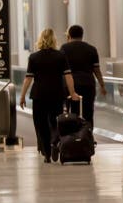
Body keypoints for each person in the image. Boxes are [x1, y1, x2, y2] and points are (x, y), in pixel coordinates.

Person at [19, 29, 81, 163]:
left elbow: (28, 78)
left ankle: (46, 153)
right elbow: (68, 75)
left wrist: (22, 96)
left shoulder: (34, 57)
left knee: (40, 123)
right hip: (57, 94)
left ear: (40, 39)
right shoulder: (60, 55)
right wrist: (72, 92)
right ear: (54, 40)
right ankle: (55, 141)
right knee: (55, 121)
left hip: (39, 95)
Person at [60, 25, 107, 127]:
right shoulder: (91, 49)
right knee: (88, 112)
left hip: (69, 85)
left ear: (69, 35)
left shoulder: (64, 48)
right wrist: (102, 85)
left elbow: (60, 69)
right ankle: (87, 135)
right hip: (88, 84)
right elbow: (96, 70)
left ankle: (72, 136)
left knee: (70, 111)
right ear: (82, 35)